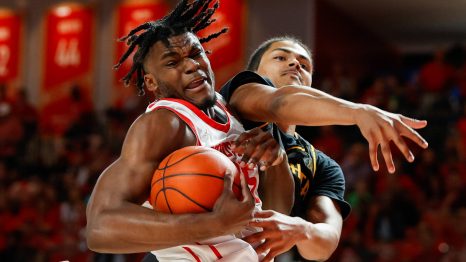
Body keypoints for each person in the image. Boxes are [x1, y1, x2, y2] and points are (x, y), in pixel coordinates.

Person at [86, 1, 293, 261]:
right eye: (172, 62)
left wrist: (277, 160)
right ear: (151, 82)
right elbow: (99, 228)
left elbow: (275, 217)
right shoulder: (163, 124)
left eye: (196, 54)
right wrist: (213, 224)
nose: (191, 65)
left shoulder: (232, 112)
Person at [219, 36, 429, 261]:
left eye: (305, 65)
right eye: (281, 57)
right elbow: (279, 103)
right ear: (255, 73)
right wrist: (358, 112)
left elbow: (324, 243)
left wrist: (304, 230)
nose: (295, 64)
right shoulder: (239, 95)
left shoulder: (322, 165)